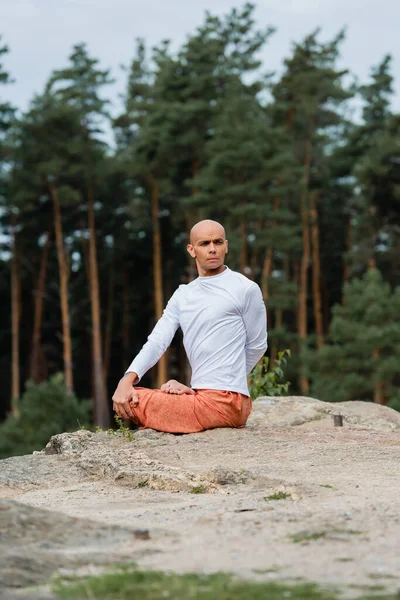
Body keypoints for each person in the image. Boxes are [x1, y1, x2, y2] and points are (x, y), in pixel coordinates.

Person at [112, 219, 267, 433]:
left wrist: (227, 385)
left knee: (133, 400)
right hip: (203, 398)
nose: (212, 249)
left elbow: (258, 345)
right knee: (128, 394)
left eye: (218, 242)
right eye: (204, 243)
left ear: (226, 246)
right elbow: (157, 341)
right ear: (191, 250)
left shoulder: (245, 288)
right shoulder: (183, 295)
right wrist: (126, 380)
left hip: (228, 401)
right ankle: (194, 398)